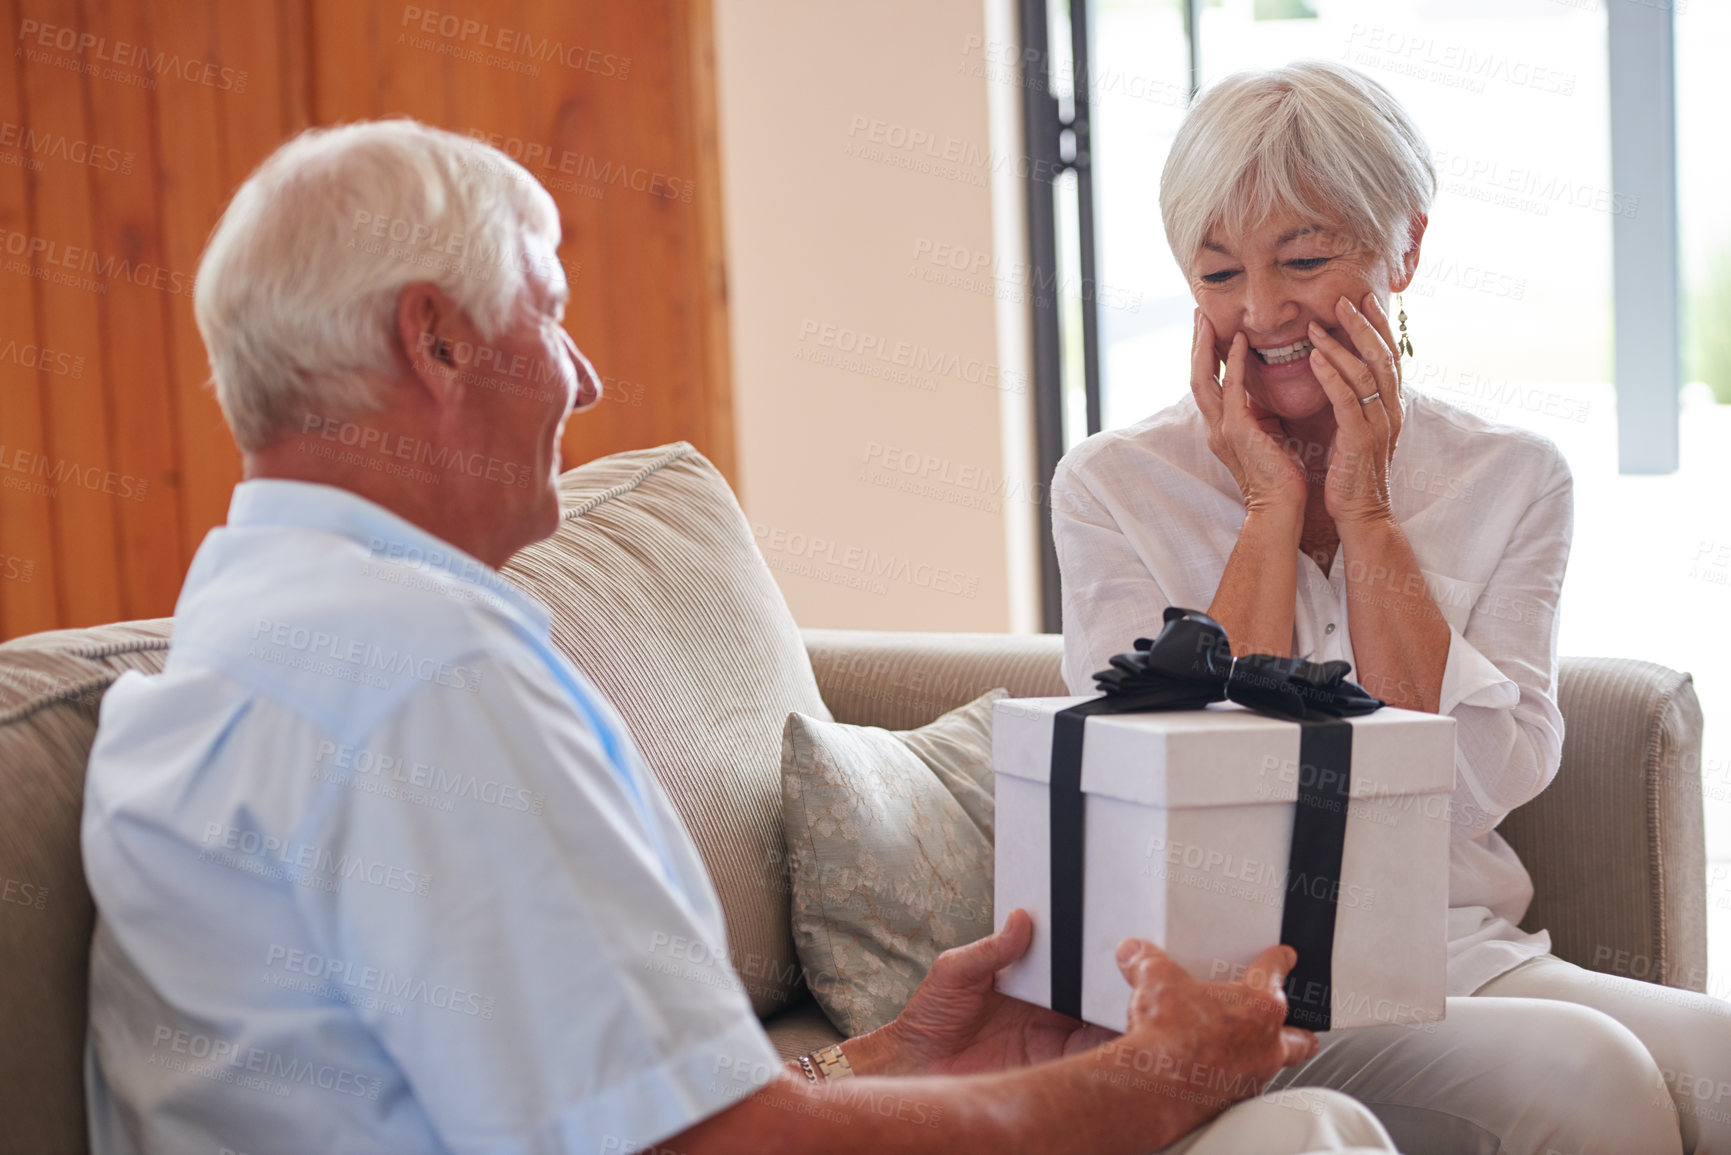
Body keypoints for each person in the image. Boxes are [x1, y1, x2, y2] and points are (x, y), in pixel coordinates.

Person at [79, 119, 1402, 1155]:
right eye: (547, 312)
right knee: (1299, 1126)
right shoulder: (419, 672)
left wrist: (879, 1055)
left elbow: (567, 1101)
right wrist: (1164, 1067)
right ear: (432, 337)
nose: (583, 377)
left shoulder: (253, 629)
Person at [1052, 60, 1731, 1155]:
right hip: (1228, 976)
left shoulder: (1513, 478)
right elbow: (1170, 806)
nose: (1262, 313)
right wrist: (1269, 510)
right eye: (1220, 274)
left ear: (1404, 246)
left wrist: (1366, 513)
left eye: (1306, 260)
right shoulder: (1109, 488)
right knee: (1592, 1077)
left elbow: (1465, 792)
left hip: (1455, 945)